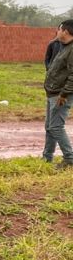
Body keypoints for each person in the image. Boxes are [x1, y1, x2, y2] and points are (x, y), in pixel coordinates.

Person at [43, 19, 73, 169]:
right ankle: (46, 158)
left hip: (61, 96)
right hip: (53, 93)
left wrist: (64, 94)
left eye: (59, 29)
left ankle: (69, 158)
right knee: (49, 127)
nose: (58, 32)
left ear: (65, 31)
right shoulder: (64, 47)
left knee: (56, 127)